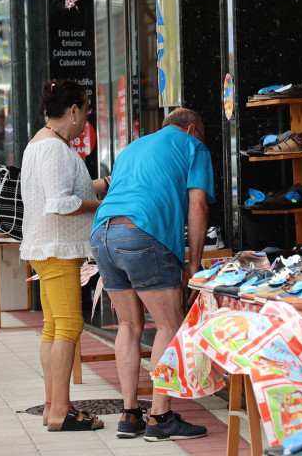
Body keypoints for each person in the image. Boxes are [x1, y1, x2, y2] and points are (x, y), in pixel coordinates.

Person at [91, 108, 215, 441]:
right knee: (168, 325)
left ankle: (130, 414)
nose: (202, 141)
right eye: (201, 134)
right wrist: (195, 261)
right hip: (142, 232)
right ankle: (160, 417)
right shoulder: (193, 147)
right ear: (192, 128)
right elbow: (198, 205)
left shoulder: (133, 146)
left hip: (103, 233)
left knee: (129, 325)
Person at [20, 80, 108, 433]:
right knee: (69, 326)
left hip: (48, 247)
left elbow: (64, 193)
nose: (86, 118)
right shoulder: (54, 149)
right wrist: (100, 206)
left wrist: (102, 184)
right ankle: (60, 410)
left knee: (54, 327)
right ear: (73, 110)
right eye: (86, 110)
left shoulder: (41, 143)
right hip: (56, 249)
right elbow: (60, 203)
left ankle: (52, 405)